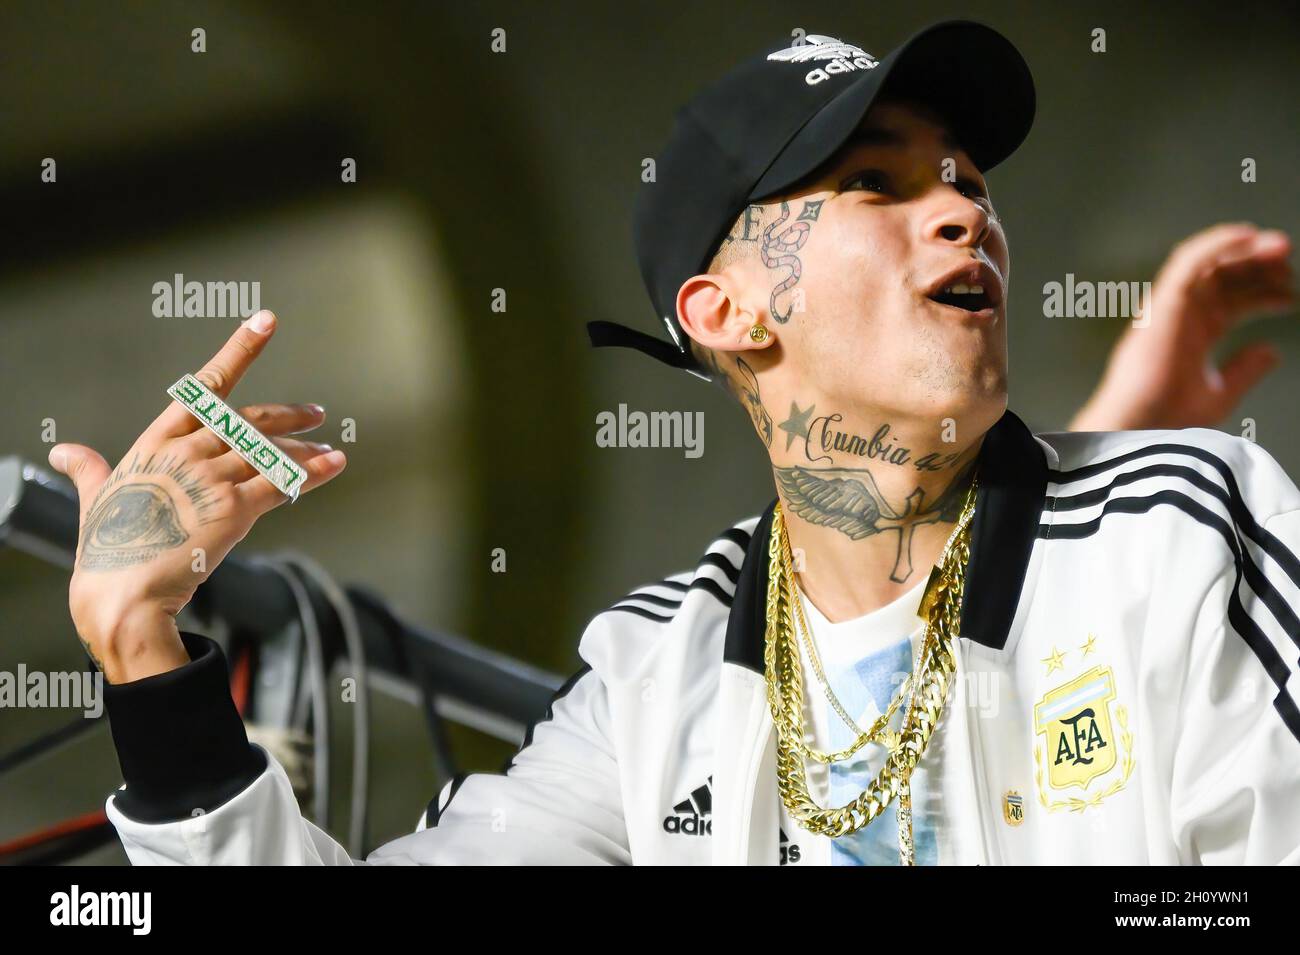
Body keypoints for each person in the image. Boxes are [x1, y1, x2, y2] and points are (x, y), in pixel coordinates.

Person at [50, 21, 1297, 865]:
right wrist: (142, 649)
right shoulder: (658, 675)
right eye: (877, 181)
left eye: (966, 175)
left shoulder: (1187, 525)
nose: (963, 208)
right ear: (724, 312)